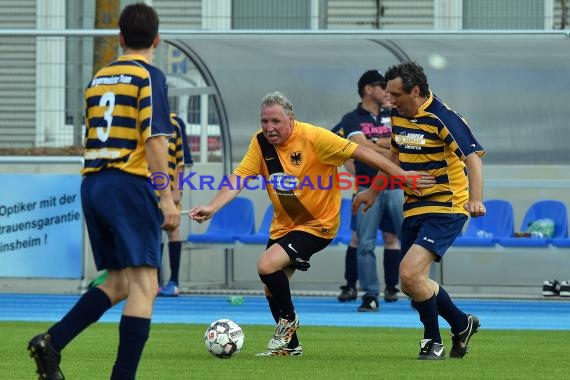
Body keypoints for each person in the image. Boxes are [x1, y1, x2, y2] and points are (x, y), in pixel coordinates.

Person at [189, 91, 433, 356]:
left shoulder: (315, 138)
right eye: (264, 122)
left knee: (266, 265)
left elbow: (363, 153)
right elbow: (240, 177)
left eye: (275, 121)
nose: (269, 128)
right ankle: (291, 348)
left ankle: (289, 320)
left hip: (319, 224)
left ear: (290, 119)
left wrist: (402, 175)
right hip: (285, 225)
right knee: (272, 288)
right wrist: (212, 207)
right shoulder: (260, 143)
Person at [27, 4, 179, 379]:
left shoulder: (98, 79)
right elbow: (157, 140)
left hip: (93, 184)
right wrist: (166, 197)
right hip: (128, 183)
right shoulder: (149, 76)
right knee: (147, 284)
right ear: (156, 40)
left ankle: (52, 342)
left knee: (119, 282)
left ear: (120, 38)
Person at [354, 61, 485, 360]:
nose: (390, 100)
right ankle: (461, 323)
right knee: (410, 283)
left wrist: (476, 199)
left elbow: (474, 159)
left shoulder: (444, 118)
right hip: (414, 206)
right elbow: (395, 158)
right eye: (388, 94)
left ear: (415, 91)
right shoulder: (397, 115)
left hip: (447, 206)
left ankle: (432, 341)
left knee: (410, 273)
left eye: (395, 94)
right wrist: (373, 192)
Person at [333, 70, 405, 311]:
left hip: (397, 187)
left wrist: (373, 146)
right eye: (380, 86)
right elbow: (357, 146)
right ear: (367, 89)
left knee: (407, 239)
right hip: (365, 187)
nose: (386, 90)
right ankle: (370, 295)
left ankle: (415, 290)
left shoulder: (394, 113)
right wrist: (388, 149)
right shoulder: (352, 118)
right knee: (364, 242)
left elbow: (403, 144)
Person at [158, 113, 193, 297]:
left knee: (172, 229)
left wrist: (177, 190)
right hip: (145, 190)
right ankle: (155, 282)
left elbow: (182, 161)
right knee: (151, 233)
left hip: (169, 190)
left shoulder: (175, 123)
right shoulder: (141, 119)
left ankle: (174, 281)